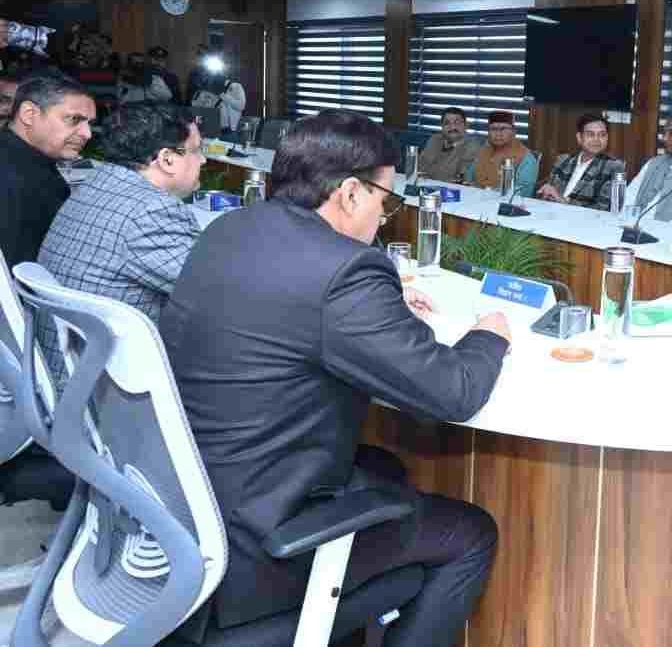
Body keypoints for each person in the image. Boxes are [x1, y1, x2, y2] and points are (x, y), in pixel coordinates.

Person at [160, 110, 511, 647]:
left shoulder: (231, 228)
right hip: (252, 547)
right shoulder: (346, 270)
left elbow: (294, 308)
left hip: (180, 512)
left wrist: (377, 306)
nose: (384, 217)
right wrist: (489, 336)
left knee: (385, 469)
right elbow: (453, 391)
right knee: (469, 533)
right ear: (349, 192)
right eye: (385, 201)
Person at [39, 103, 204, 324]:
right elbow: (216, 291)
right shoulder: (152, 212)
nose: (203, 160)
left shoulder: (96, 184)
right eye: (197, 150)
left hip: (60, 338)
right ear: (167, 159)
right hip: (106, 345)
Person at [0, 70, 95, 266]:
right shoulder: (12, 177)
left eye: (89, 123)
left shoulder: (34, 161)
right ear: (29, 114)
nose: (87, 134)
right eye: (74, 120)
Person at [537, 113, 625, 210]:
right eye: (590, 134)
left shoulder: (614, 167)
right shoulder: (563, 160)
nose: (596, 139)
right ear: (579, 138)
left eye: (602, 135)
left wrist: (562, 200)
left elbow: (603, 209)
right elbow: (547, 195)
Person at [467, 110, 537, 197]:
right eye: (493, 129)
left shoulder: (526, 158)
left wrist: (488, 191)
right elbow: (468, 179)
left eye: (503, 129)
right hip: (474, 199)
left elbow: (524, 192)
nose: (498, 134)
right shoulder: (483, 151)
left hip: (505, 203)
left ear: (514, 131)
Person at [417, 107, 481, 183]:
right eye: (447, 123)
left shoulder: (472, 146)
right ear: (442, 126)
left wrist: (428, 175)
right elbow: (420, 167)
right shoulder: (435, 139)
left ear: (466, 125)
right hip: (424, 185)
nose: (452, 127)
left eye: (457, 123)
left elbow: (461, 179)